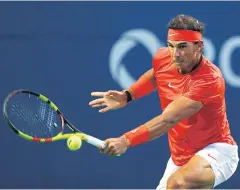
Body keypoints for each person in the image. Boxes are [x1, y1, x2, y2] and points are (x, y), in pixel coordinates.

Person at [89, 14, 239, 189]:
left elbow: (169, 119)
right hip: (179, 158)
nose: (175, 54)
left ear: (199, 46)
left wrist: (125, 140)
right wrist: (128, 95)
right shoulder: (163, 57)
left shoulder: (210, 80)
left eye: (183, 46)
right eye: (171, 46)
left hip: (217, 151)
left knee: (177, 183)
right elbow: (155, 76)